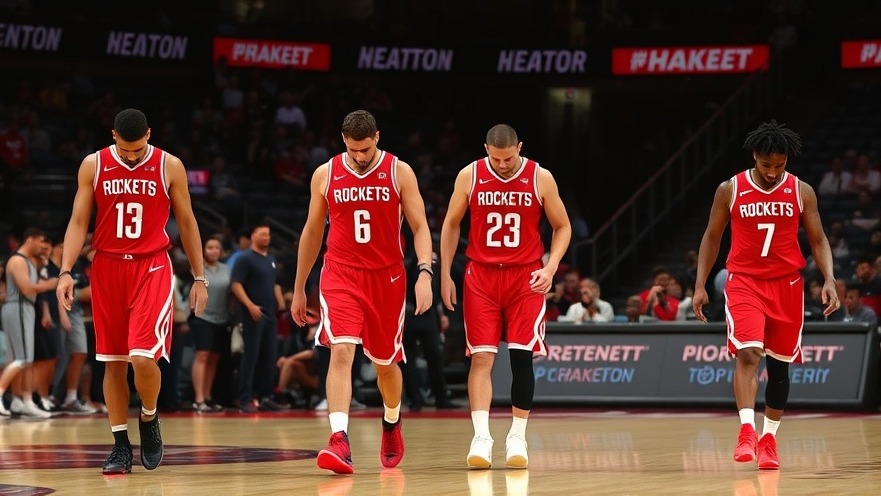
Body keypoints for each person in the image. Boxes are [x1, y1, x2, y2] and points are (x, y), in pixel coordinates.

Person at [57, 108, 208, 475]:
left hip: (152, 265)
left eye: (138, 150)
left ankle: (150, 417)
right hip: (107, 267)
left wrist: (200, 277)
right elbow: (79, 221)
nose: (131, 156)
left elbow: (187, 221)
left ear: (149, 136)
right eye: (125, 150)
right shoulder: (92, 165)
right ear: (113, 137)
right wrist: (65, 271)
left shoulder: (168, 165)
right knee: (112, 362)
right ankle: (120, 444)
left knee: (143, 357)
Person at [290, 109, 434, 474]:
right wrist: (298, 288)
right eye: (354, 150)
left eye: (365, 150)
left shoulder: (399, 171)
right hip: (340, 273)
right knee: (340, 351)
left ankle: (391, 420)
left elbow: (419, 227)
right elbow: (311, 233)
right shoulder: (326, 174)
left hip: (386, 278)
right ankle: (339, 440)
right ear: (344, 141)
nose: (359, 157)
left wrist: (424, 272)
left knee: (385, 364)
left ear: (377, 138)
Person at [692, 120, 840, 471]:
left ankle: (769, 438)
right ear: (755, 155)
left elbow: (818, 240)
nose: (773, 173)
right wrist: (700, 284)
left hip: (788, 285)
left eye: (780, 166)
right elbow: (712, 237)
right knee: (748, 352)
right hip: (744, 281)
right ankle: (746, 429)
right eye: (767, 165)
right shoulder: (730, 189)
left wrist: (830, 278)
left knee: (779, 368)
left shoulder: (801, 191)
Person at [439, 123, 572, 469]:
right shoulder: (469, 175)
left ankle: (517, 435)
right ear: (486, 149)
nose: (502, 164)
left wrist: (551, 266)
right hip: (480, 276)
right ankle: (481, 436)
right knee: (481, 359)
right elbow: (451, 224)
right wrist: (444, 273)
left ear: (520, 148)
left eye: (508, 158)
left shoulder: (540, 177)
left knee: (520, 358)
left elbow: (563, 226)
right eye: (496, 158)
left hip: (525, 276)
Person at [0, 227, 58, 418]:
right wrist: (50, 285)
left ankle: (20, 401)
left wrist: (44, 262)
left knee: (21, 358)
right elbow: (27, 289)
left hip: (24, 308)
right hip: (19, 305)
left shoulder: (31, 261)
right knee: (22, 358)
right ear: (30, 239)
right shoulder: (17, 260)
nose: (43, 245)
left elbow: (38, 282)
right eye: (41, 241)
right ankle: (6, 396)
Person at [230, 224, 288, 413]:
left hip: (270, 314)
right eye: (262, 234)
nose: (266, 238)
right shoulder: (245, 258)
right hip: (252, 313)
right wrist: (250, 305)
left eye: (268, 235)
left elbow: (274, 284)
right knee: (251, 355)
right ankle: (245, 398)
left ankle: (266, 396)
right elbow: (236, 284)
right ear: (253, 236)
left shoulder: (270, 259)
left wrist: (280, 303)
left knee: (270, 355)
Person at [189, 236, 232, 413]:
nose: (213, 250)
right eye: (210, 247)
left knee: (214, 357)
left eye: (217, 247)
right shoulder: (198, 269)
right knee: (203, 355)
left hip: (222, 317)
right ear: (203, 251)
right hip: (202, 316)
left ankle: (207, 397)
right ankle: (198, 399)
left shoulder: (227, 269)